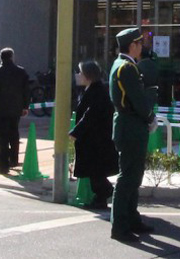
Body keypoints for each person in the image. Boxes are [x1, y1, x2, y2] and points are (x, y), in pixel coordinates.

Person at [108, 27, 155, 243]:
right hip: (131, 125)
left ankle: (132, 219)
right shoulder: (127, 68)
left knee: (134, 175)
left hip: (127, 124)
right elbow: (137, 98)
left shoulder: (120, 64)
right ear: (133, 46)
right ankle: (120, 226)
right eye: (140, 43)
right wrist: (150, 117)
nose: (142, 47)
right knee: (128, 177)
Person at [70, 60, 118, 210]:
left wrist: (76, 132)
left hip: (96, 139)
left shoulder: (97, 92)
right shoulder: (94, 90)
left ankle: (104, 194)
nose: (78, 75)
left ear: (87, 76)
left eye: (80, 72)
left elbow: (90, 115)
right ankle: (101, 197)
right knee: (95, 171)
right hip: (95, 138)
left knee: (95, 170)